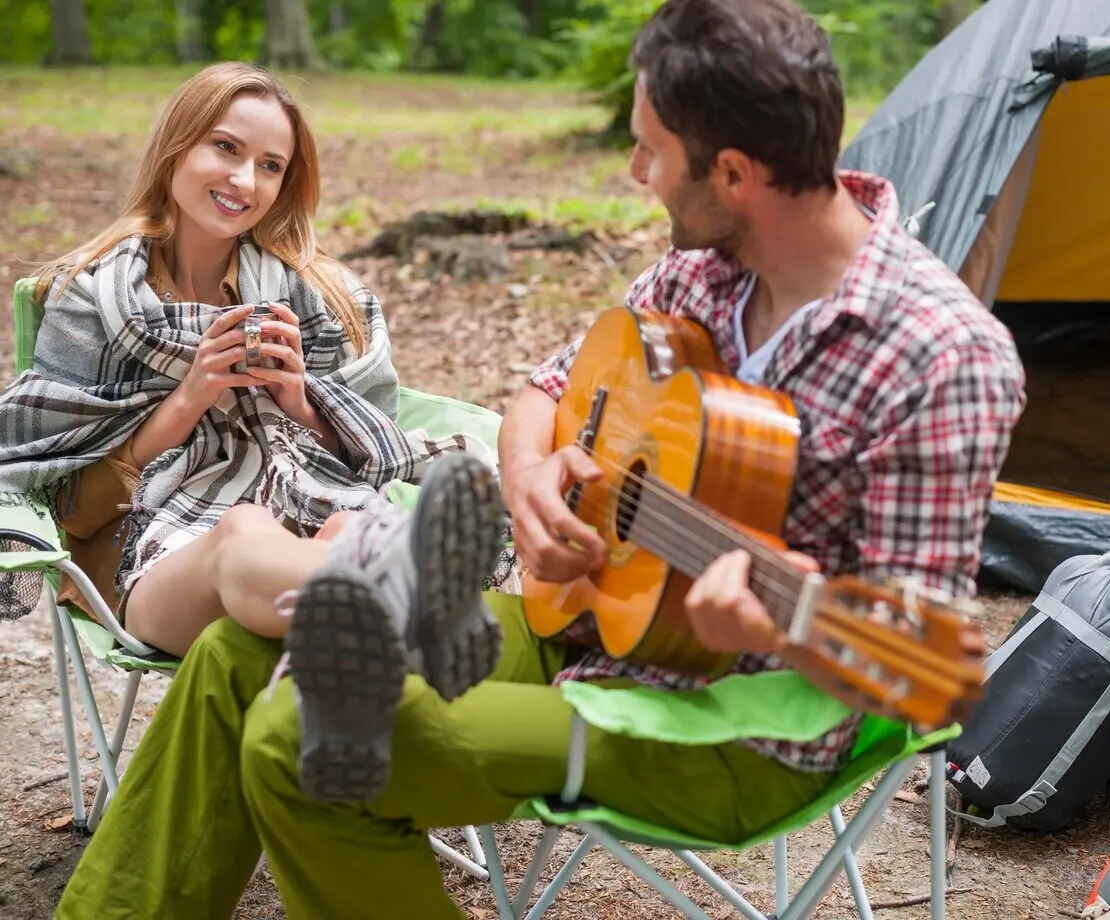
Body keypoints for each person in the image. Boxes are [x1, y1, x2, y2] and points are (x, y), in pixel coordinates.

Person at [54, 1, 1027, 917]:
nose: (638, 173)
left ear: (732, 173)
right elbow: (547, 389)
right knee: (234, 652)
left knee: (305, 738)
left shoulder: (942, 354)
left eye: (650, 151)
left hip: (742, 718)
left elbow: (923, 665)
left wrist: (784, 625)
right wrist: (530, 481)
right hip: (581, 628)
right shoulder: (697, 271)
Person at [0, 63, 507, 791]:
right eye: (226, 148)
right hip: (145, 549)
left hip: (307, 514)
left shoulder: (319, 295)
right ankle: (420, 614)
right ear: (177, 148)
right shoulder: (94, 299)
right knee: (242, 531)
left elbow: (377, 445)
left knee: (348, 530)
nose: (246, 180)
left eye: (271, 165)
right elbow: (63, 505)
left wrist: (303, 400)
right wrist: (187, 402)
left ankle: (362, 645)